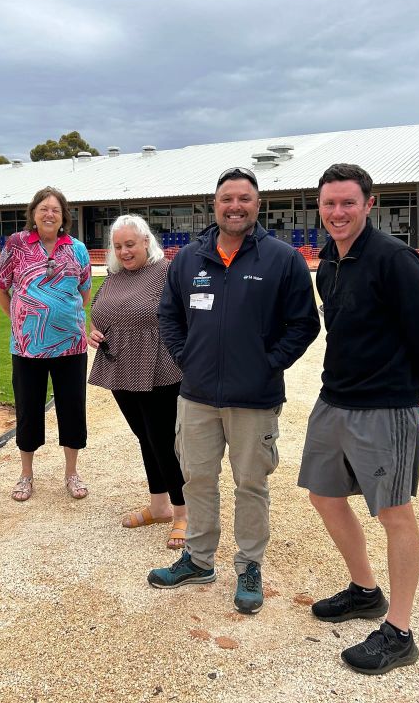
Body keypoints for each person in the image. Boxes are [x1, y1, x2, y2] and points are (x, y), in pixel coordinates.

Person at [149, 166, 320, 614]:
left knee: (251, 483)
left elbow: (305, 323)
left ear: (257, 204)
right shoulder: (188, 260)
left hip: (255, 399)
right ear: (215, 205)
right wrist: (188, 358)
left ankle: (248, 565)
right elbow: (169, 315)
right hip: (197, 396)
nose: (235, 206)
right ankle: (199, 560)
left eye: (244, 198)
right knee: (198, 478)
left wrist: (268, 363)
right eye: (227, 199)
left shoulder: (282, 259)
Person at [298, 163, 419, 675]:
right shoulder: (329, 264)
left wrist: (411, 400)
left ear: (368, 204)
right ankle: (365, 590)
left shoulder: (396, 260)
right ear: (320, 206)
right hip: (333, 400)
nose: (337, 212)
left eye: (348, 203)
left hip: (385, 408)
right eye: (329, 203)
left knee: (394, 514)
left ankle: (400, 633)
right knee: (323, 495)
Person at [87, 215, 186, 549]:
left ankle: (183, 512)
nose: (124, 252)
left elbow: (187, 315)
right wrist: (95, 330)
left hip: (159, 367)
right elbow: (100, 311)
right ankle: (159, 505)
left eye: (130, 244)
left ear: (146, 241)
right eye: (118, 246)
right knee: (144, 437)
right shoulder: (114, 276)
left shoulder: (166, 271)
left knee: (164, 440)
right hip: (119, 366)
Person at [0, 186, 93, 502]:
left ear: (64, 217)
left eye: (56, 209)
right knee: (28, 408)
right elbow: (0, 288)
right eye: (43, 208)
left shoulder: (77, 249)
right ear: (33, 214)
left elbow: (84, 291)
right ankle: (26, 475)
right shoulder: (17, 245)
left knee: (72, 408)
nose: (49, 214)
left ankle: (71, 473)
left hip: (71, 346)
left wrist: (62, 316)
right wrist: (21, 318)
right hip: (27, 347)